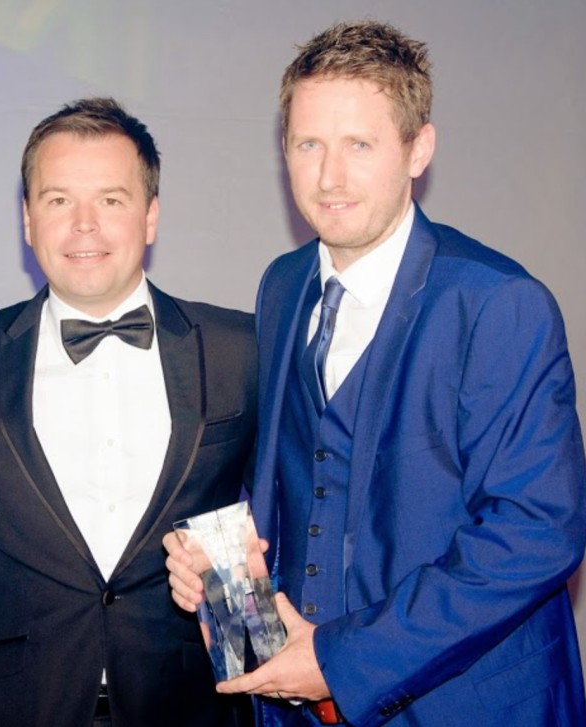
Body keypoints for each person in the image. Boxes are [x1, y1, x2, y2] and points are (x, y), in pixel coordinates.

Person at [164, 20, 586, 726]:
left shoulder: (498, 303)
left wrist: (338, 660)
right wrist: (222, 581)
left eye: (359, 144)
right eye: (308, 145)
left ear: (418, 148)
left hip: (468, 708)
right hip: (294, 709)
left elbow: (535, 530)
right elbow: (295, 487)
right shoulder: (283, 284)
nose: (330, 177)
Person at [0, 97, 258, 726]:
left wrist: (250, 603)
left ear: (150, 216)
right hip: (18, 707)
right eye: (58, 200)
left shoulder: (242, 350)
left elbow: (297, 519)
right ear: (27, 218)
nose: (84, 225)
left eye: (111, 200)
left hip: (192, 708)